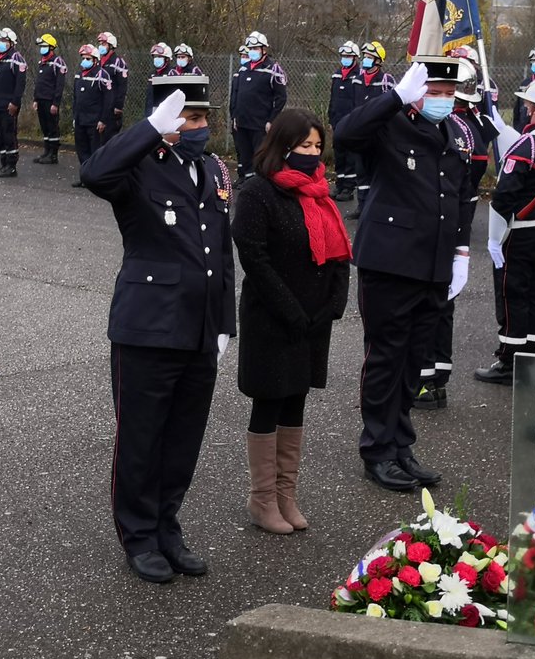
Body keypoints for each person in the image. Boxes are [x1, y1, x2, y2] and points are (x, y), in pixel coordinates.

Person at [81, 75, 236, 584]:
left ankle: (168, 526)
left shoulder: (214, 168)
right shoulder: (137, 165)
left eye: (202, 118)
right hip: (148, 328)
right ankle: (140, 536)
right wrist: (147, 129)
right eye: (188, 118)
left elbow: (221, 249)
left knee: (183, 438)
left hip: (199, 328)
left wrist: (224, 322)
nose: (199, 127)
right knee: (142, 438)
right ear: (165, 120)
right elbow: (94, 173)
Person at [333, 57, 475, 492]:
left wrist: (461, 251)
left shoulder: (452, 133)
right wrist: (394, 96)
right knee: (386, 357)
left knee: (415, 359)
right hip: (391, 262)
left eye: (450, 94)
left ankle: (401, 444)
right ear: (417, 90)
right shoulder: (389, 123)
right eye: (435, 91)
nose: (444, 100)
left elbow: (459, 194)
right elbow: (344, 133)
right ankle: (377, 449)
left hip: (433, 264)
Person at [232, 109, 351, 533]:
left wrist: (333, 305)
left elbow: (339, 255)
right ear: (283, 146)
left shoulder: (320, 193)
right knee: (270, 399)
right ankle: (262, 499)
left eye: (318, 146)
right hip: (273, 318)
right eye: (304, 146)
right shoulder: (257, 192)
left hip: (313, 320)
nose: (313, 153)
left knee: (296, 398)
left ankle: (287, 494)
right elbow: (254, 257)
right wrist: (292, 311)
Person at [475, 73, 535, 385]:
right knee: (532, 293)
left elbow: (504, 196)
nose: (526, 106)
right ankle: (528, 350)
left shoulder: (529, 144)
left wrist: (495, 235)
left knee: (511, 293)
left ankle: (509, 361)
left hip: (522, 229)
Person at [418, 59, 492, 408]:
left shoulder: (456, 129)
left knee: (429, 308)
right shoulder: (474, 124)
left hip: (441, 223)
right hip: (455, 221)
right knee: (441, 306)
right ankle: (435, 378)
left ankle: (425, 379)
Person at [346, 40, 397, 219]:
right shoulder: (357, 80)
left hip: (379, 133)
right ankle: (362, 206)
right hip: (361, 133)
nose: (365, 60)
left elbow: (392, 106)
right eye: (365, 57)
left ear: (378, 60)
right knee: (361, 171)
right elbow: (353, 105)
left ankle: (376, 207)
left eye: (369, 57)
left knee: (377, 170)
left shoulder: (386, 80)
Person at [229, 31, 287, 181]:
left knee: (259, 155)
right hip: (242, 122)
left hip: (260, 123)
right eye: (251, 48)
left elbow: (281, 98)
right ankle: (247, 181)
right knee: (244, 154)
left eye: (256, 48)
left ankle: (259, 183)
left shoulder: (273, 69)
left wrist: (271, 120)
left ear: (264, 49)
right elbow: (237, 94)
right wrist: (235, 116)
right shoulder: (243, 68)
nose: (253, 51)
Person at [0, 28, 27, 177]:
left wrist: (14, 102)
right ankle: (3, 164)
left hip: (8, 105)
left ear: (11, 43)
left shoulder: (16, 58)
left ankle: (11, 165)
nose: (2, 44)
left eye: (5, 41)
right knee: (0, 136)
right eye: (0, 41)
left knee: (9, 135)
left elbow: (20, 83)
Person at [71, 43, 113, 186]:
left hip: (94, 121)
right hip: (80, 119)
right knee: (81, 149)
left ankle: (96, 178)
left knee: (95, 150)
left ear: (95, 60)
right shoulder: (79, 74)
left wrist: (103, 120)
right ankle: (85, 178)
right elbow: (76, 98)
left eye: (88, 58)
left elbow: (108, 100)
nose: (84, 61)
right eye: (83, 58)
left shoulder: (102, 75)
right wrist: (74, 117)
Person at [327, 40, 361, 202]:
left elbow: (358, 101)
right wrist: (330, 119)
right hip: (337, 121)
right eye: (343, 56)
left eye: (348, 56)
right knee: (339, 154)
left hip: (351, 122)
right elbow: (333, 99)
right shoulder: (337, 74)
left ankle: (348, 187)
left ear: (355, 58)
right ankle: (339, 184)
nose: (345, 59)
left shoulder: (358, 76)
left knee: (350, 156)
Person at [32, 33, 67, 164]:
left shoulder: (57, 62)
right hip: (41, 99)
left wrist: (55, 103)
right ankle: (46, 152)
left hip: (50, 101)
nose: (41, 48)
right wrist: (35, 99)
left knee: (52, 127)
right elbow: (39, 82)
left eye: (44, 46)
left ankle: (53, 154)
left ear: (51, 47)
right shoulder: (42, 61)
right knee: (45, 127)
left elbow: (59, 85)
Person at [97, 31, 129, 140]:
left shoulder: (118, 62)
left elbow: (122, 85)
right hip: (100, 105)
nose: (101, 47)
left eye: (104, 44)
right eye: (100, 44)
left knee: (110, 137)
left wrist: (118, 106)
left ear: (111, 46)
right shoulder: (98, 62)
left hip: (112, 106)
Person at [143, 42, 174, 116]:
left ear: (167, 59)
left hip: (165, 112)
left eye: (160, 57)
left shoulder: (172, 73)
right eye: (155, 56)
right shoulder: (152, 74)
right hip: (151, 110)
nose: (156, 59)